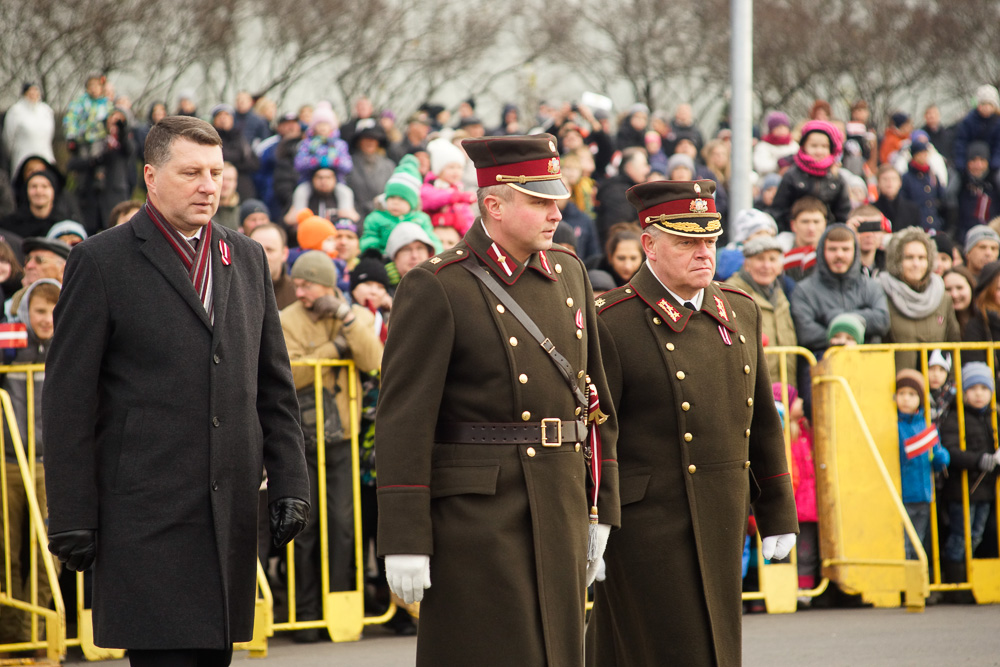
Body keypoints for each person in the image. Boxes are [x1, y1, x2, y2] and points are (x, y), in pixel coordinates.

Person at [41, 115, 310, 666]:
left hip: (227, 512)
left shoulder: (248, 257)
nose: (209, 185)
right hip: (145, 515)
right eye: (191, 172)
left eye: (216, 172)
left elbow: (273, 388)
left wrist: (291, 482)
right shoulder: (100, 261)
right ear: (151, 176)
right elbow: (69, 402)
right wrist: (71, 514)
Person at [375, 134, 618, 666]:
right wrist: (404, 535)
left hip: (560, 501)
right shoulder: (438, 285)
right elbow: (403, 421)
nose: (557, 213)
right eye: (540, 201)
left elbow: (597, 403)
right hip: (479, 518)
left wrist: (601, 507)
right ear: (493, 205)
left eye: (556, 199)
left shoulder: (569, 274)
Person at [589, 179, 796, 665]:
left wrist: (777, 512)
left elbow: (761, 421)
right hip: (646, 526)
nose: (704, 252)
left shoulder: (740, 309)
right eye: (687, 241)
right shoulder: (611, 319)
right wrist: (593, 516)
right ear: (650, 245)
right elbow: (599, 433)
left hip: (722, 514)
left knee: (715, 648)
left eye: (710, 240)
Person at [280, 250, 382, 642]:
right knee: (305, 526)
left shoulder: (347, 313)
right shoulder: (287, 319)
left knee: (342, 525)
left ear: (326, 285)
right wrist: (336, 350)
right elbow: (292, 372)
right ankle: (305, 612)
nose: (300, 290)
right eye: (298, 283)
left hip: (341, 438)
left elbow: (374, 359)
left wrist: (346, 318)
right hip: (301, 437)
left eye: (307, 284)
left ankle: (340, 608)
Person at [0, 279, 60, 646]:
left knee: (48, 554)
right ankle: (10, 637)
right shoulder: (11, 343)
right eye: (40, 311)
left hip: (50, 463)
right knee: (7, 553)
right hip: (8, 459)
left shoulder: (66, 344)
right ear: (25, 312)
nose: (48, 320)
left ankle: (35, 637)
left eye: (54, 311)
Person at [939, 362, 999, 589]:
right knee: (960, 536)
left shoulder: (992, 418)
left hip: (985, 491)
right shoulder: (956, 418)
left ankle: (969, 579)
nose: (979, 394)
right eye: (973, 389)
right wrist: (978, 460)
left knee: (976, 535)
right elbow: (951, 451)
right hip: (961, 489)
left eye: (984, 389)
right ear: (964, 392)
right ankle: (955, 582)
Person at [789, 223, 891, 359]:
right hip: (821, 367)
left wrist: (835, 318)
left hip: (867, 364)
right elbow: (806, 332)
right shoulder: (804, 290)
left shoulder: (871, 286)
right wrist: (843, 338)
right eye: (832, 249)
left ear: (855, 251)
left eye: (845, 249)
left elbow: (882, 320)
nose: (839, 255)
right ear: (822, 251)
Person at [879, 226, 960, 370]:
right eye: (909, 257)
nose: (916, 264)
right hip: (894, 387)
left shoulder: (942, 297)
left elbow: (953, 347)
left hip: (934, 389)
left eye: (922, 258)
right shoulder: (882, 293)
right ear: (896, 260)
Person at [894, 369, 950, 562]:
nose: (906, 399)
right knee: (904, 546)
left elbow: (934, 457)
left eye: (912, 394)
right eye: (901, 394)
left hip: (924, 495)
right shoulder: (894, 425)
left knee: (919, 543)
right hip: (903, 495)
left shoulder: (925, 426)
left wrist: (941, 459)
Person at [726, 235, 797, 384]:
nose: (766, 266)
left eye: (772, 259)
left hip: (785, 389)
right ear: (747, 264)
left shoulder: (781, 294)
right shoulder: (732, 294)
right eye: (760, 259)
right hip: (754, 391)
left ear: (779, 266)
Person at [770, 120, 851, 229]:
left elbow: (843, 213)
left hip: (827, 233)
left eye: (824, 146)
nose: (819, 151)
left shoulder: (836, 178)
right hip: (795, 233)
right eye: (813, 146)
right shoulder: (792, 176)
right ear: (804, 146)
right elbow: (779, 210)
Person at [359, 156, 439, 257]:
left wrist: (436, 255)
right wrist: (375, 253)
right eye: (392, 198)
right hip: (385, 259)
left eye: (402, 199)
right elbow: (369, 237)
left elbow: (432, 239)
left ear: (412, 203)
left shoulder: (420, 219)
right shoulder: (376, 218)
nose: (395, 203)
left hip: (416, 259)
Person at [422, 138, 476, 236]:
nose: (456, 171)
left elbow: (467, 217)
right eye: (451, 167)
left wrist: (469, 235)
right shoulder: (431, 185)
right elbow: (430, 199)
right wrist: (455, 197)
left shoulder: (458, 189)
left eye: (459, 168)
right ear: (439, 170)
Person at [2, 83, 55, 174]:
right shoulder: (15, 111)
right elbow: (8, 136)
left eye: (36, 90)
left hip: (45, 154)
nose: (33, 93)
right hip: (22, 155)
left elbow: (50, 135)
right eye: (30, 91)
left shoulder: (46, 110)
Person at [952, 85, 1000, 173]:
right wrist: (961, 163)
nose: (986, 107)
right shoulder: (968, 121)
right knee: (954, 183)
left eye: (989, 104)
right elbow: (961, 143)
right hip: (970, 163)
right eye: (983, 104)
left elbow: (998, 145)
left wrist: (995, 163)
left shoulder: (997, 122)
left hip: (991, 164)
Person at [248, 222, 295, 309]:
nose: (263, 256)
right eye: (256, 250)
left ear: (284, 253)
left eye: (270, 250)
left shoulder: (297, 295)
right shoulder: (235, 291)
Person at [780, 196, 828, 282]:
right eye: (805, 222)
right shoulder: (780, 255)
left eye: (816, 222)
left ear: (825, 224)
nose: (811, 228)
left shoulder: (832, 253)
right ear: (793, 225)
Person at [753, 111, 798, 178]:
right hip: (768, 181)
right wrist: (778, 164)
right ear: (771, 129)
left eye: (784, 126)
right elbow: (761, 166)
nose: (781, 130)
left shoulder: (793, 145)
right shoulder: (763, 146)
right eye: (778, 127)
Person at [943, 266, 976, 335]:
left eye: (959, 288)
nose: (954, 295)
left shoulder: (986, 319)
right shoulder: (940, 324)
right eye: (948, 289)